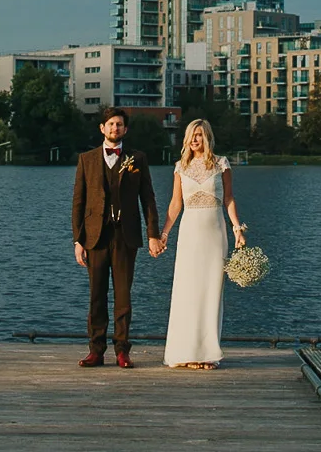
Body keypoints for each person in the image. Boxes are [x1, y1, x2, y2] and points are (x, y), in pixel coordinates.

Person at [72, 107, 163, 368]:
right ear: (102, 128)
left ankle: (122, 351)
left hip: (126, 237)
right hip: (95, 237)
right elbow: (78, 202)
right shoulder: (86, 159)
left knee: (123, 297)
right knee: (96, 296)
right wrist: (78, 240)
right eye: (111, 124)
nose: (115, 128)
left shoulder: (137, 158)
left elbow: (148, 199)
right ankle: (96, 351)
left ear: (125, 129)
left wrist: (153, 235)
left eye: (119, 124)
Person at [161, 118, 247, 370]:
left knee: (211, 292)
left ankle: (207, 353)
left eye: (199, 135)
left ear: (207, 137)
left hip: (214, 234)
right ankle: (185, 353)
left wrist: (237, 229)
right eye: (191, 135)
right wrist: (164, 233)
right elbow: (175, 203)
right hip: (189, 234)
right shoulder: (180, 167)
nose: (194, 139)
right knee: (187, 291)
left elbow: (229, 199)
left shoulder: (221, 164)